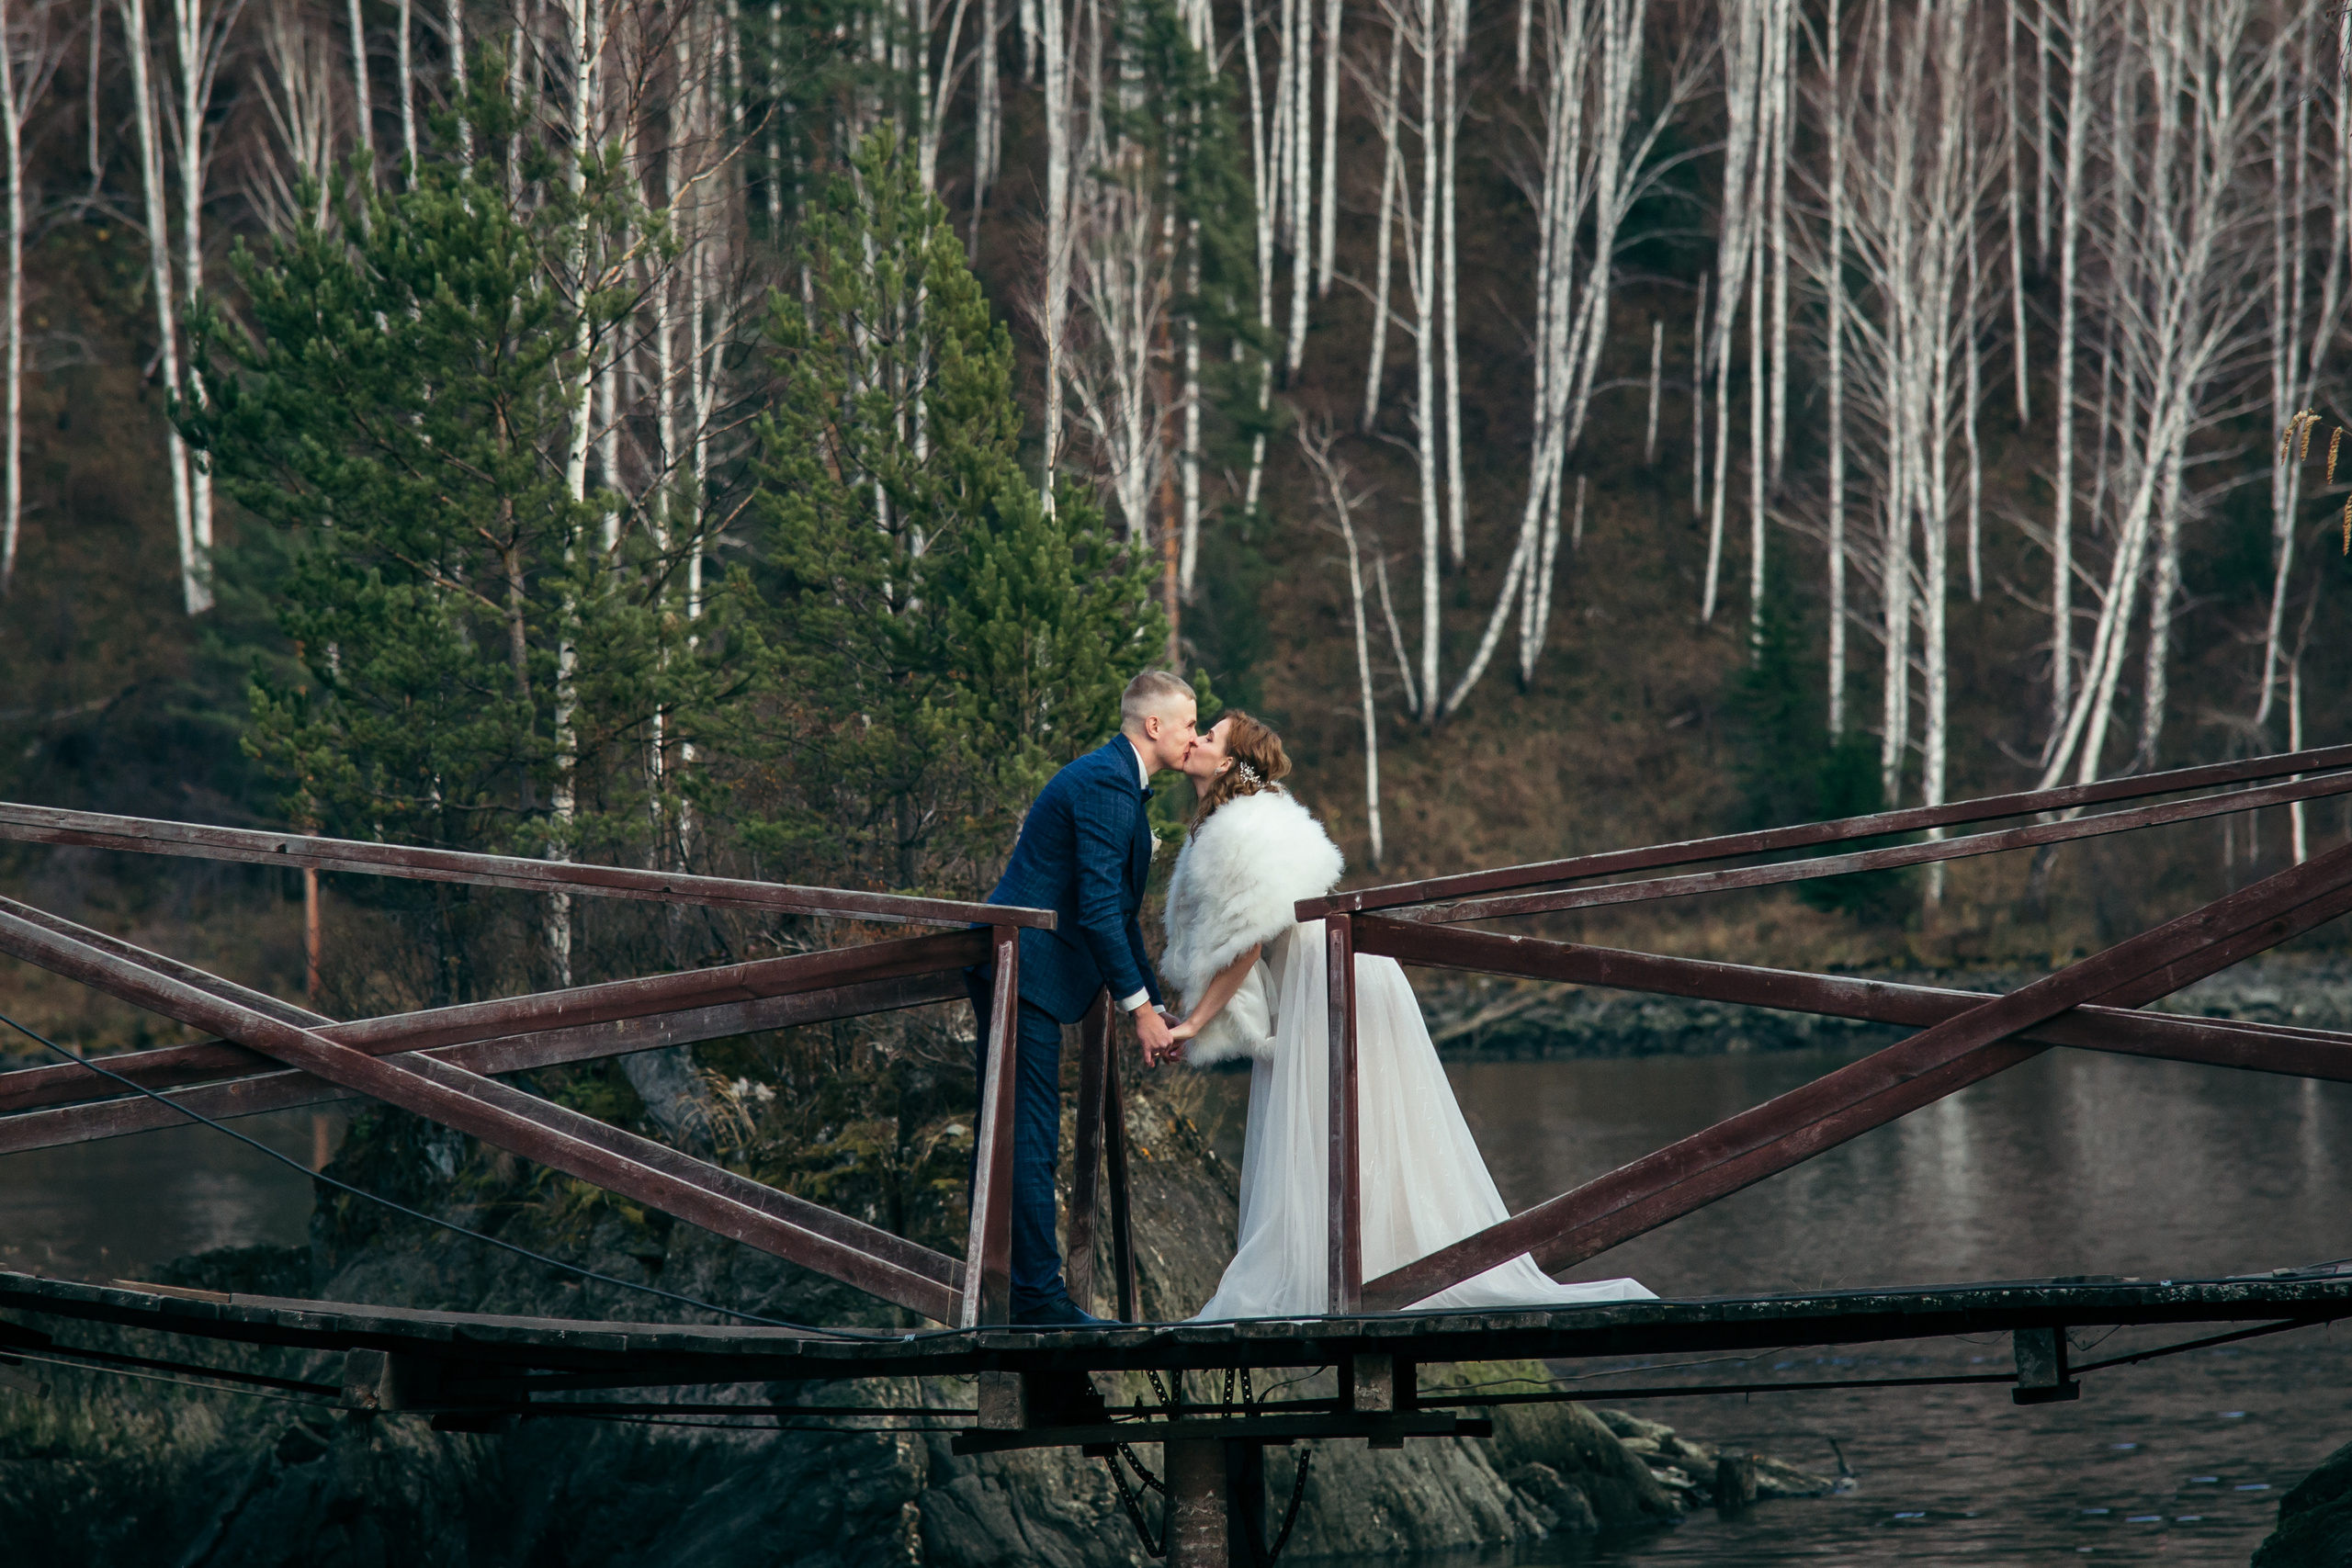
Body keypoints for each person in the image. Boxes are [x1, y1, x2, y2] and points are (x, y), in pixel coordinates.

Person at [1154, 711, 1657, 1317]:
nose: (1198, 738)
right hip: (1334, 973)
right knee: (1343, 1133)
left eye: (1210, 734)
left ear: (1232, 762)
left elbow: (1248, 940)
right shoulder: (1244, 816)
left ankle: (1362, 1281)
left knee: (1340, 1131)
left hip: (1330, 980)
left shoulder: (1244, 824)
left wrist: (1191, 1021)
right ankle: (1363, 1277)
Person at [969, 670, 1195, 1326]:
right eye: (1187, 722)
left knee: (1033, 1129)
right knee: (1031, 1133)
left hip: (1035, 974)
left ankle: (1037, 1295)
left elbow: (1119, 914)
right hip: (1021, 972)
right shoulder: (1104, 782)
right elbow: (1096, 912)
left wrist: (1152, 1002)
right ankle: (1038, 1301)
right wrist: (1141, 1016)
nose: (1191, 735)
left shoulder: (1121, 783)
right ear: (1153, 725)